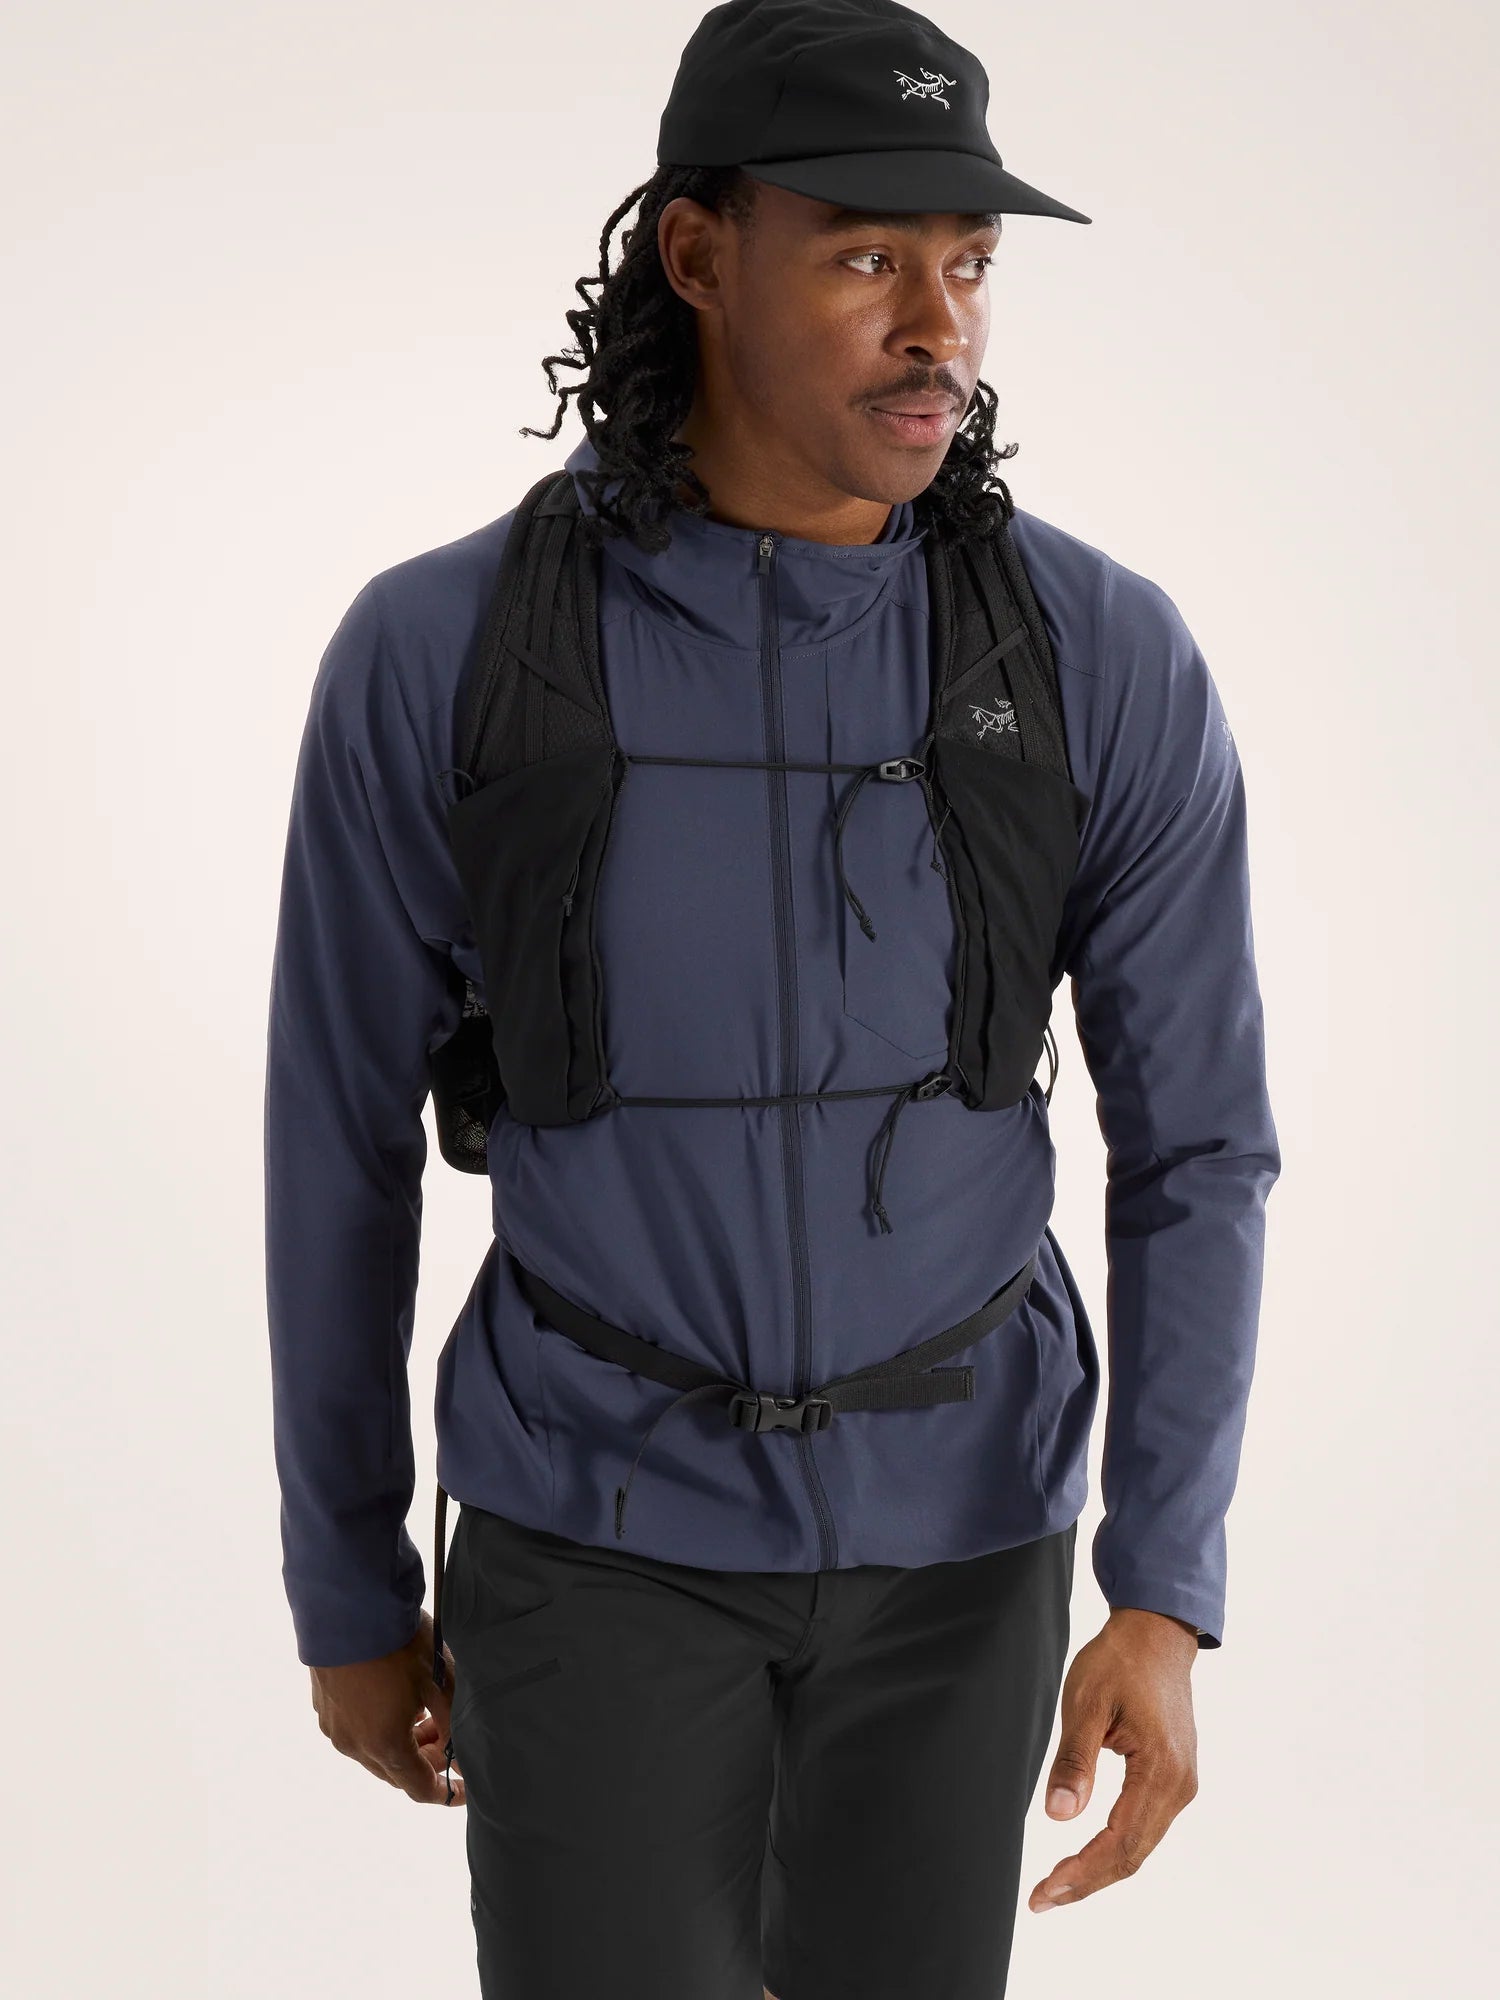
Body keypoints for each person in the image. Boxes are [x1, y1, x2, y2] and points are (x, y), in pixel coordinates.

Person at [262, 2, 1280, 1994]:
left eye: (968, 262)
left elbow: (1202, 1145)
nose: (938, 326)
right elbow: (334, 1142)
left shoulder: (1099, 657)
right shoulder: (442, 651)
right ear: (700, 254)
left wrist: (1164, 1585)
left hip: (966, 1548)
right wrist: (345, 1582)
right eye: (867, 255)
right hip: (592, 1536)